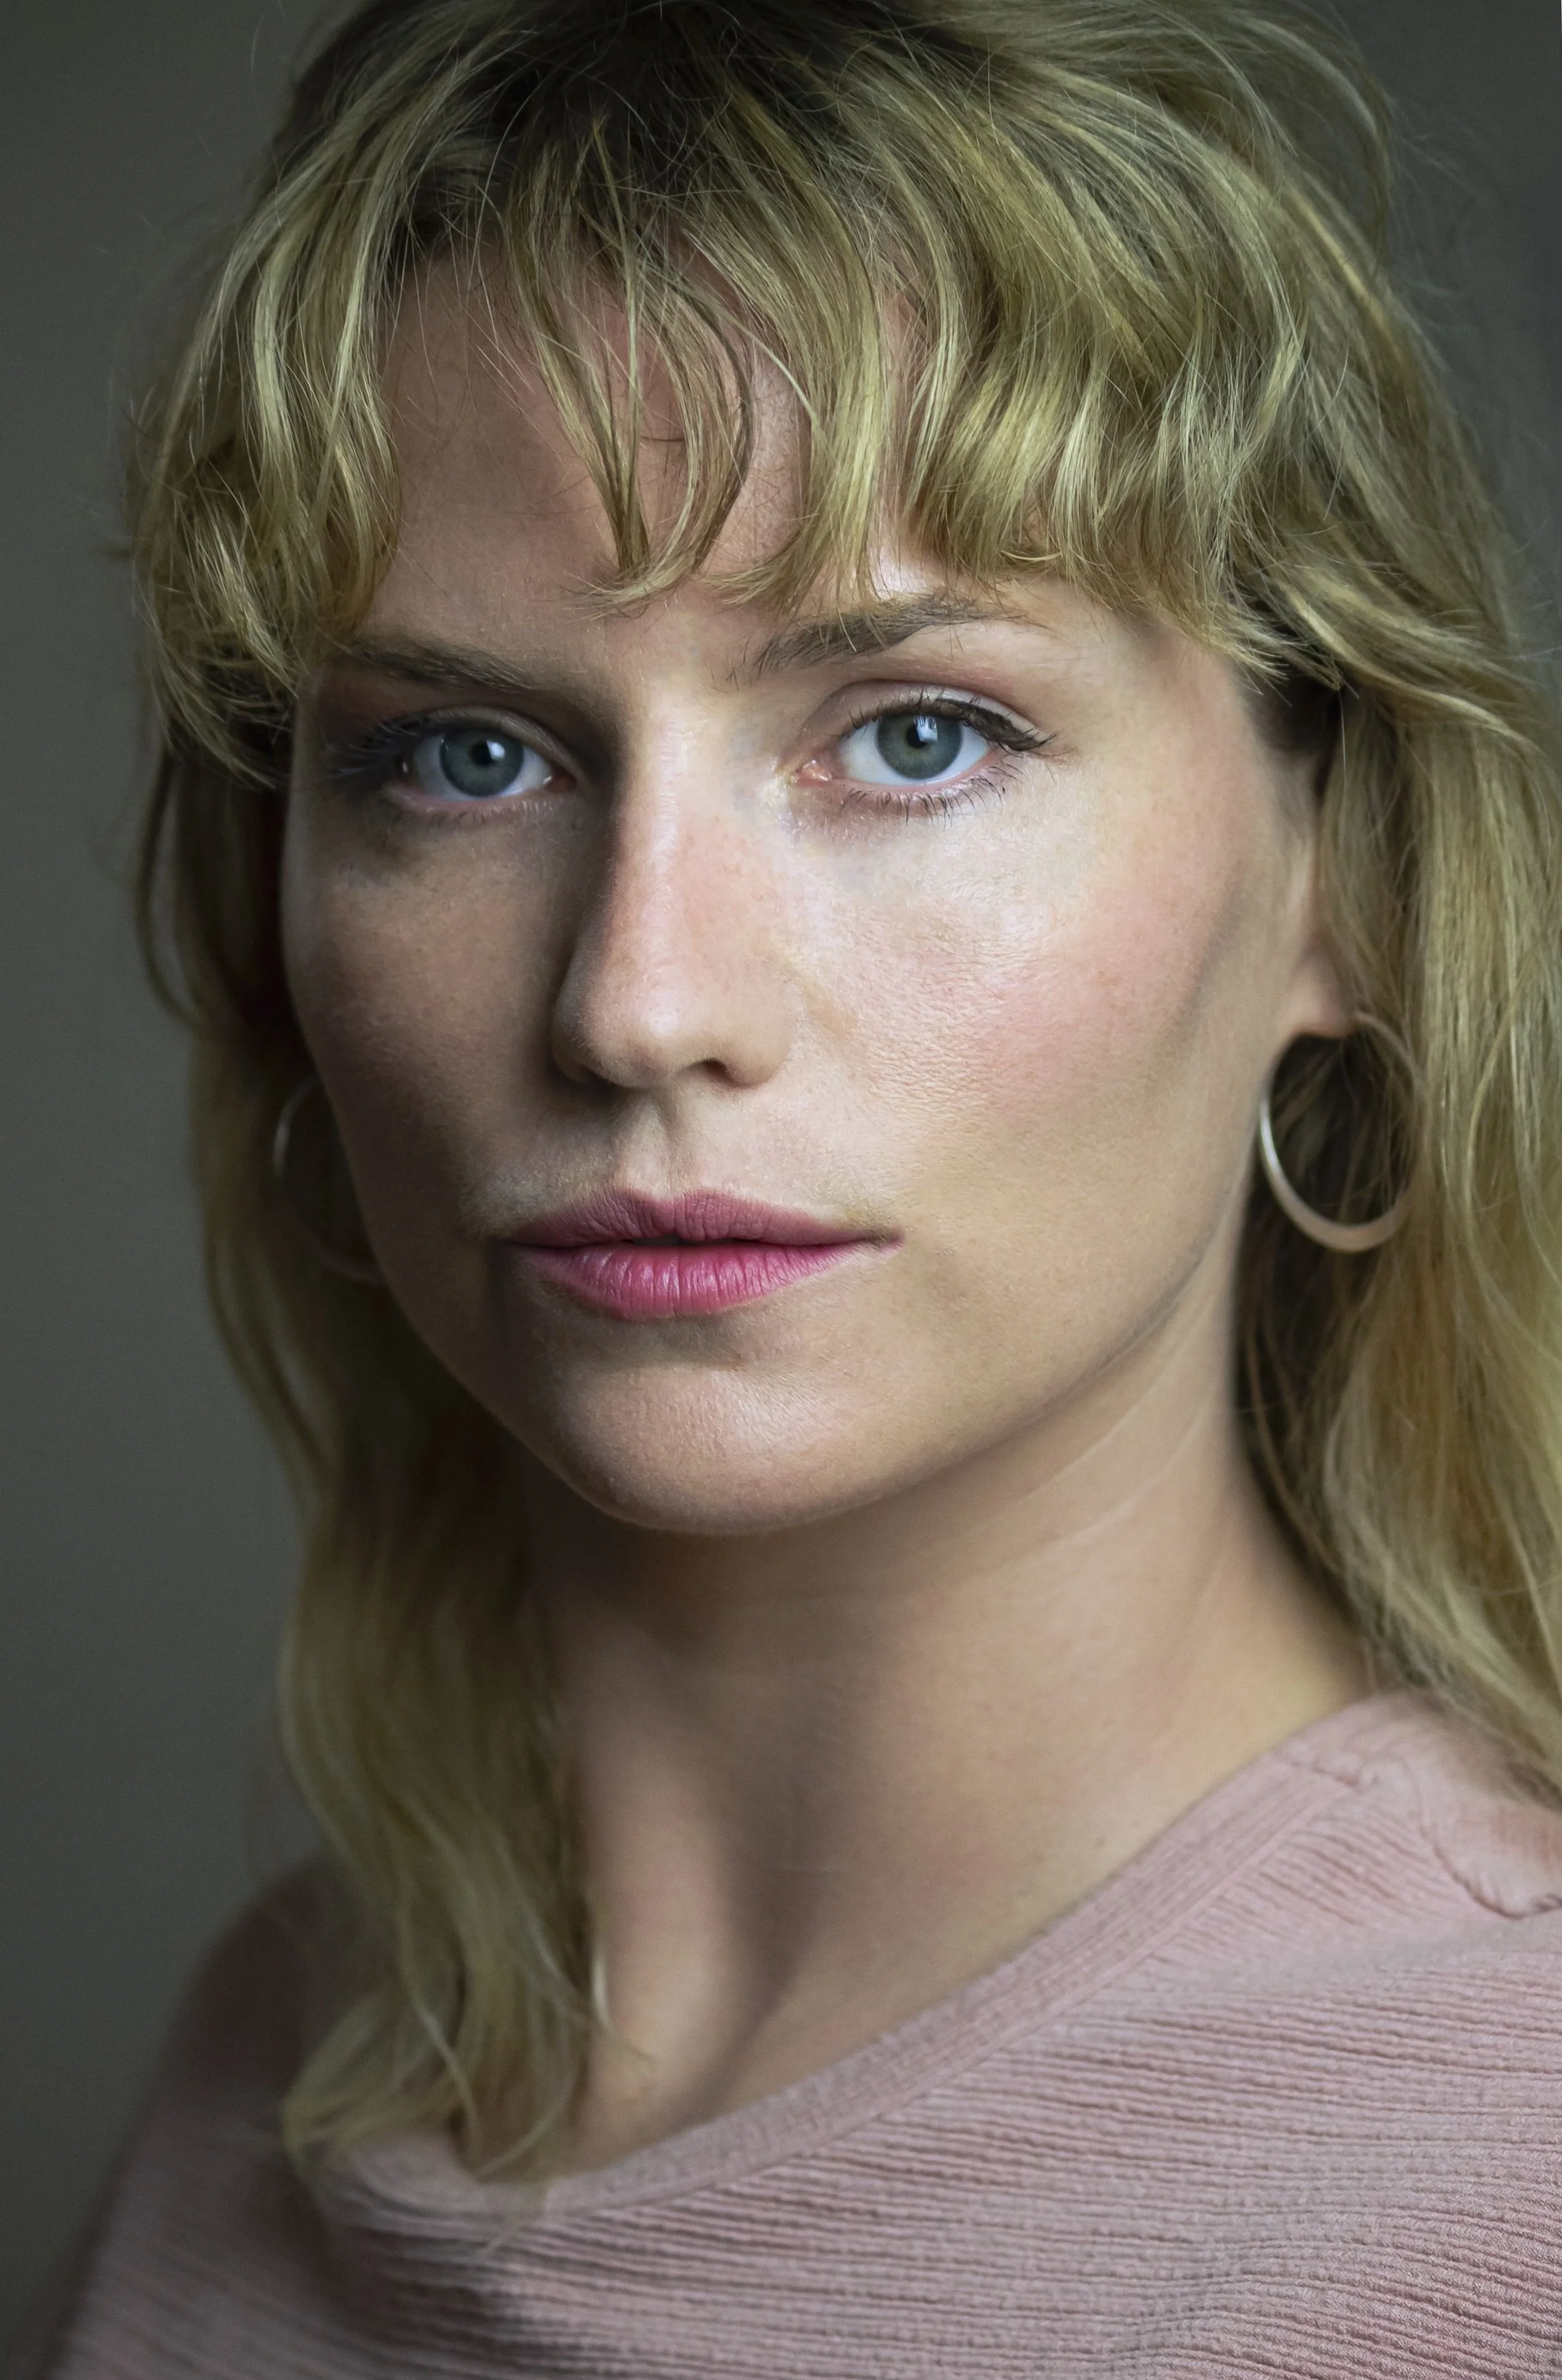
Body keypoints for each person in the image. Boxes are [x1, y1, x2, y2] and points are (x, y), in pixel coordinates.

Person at [24, 0, 1562, 2371]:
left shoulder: (1497, 2192)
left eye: (917, 736)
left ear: (1340, 879)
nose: (637, 1005)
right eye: (462, 757)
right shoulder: (271, 2066)